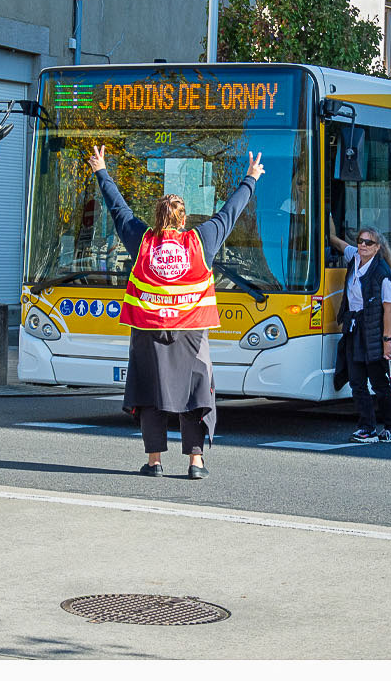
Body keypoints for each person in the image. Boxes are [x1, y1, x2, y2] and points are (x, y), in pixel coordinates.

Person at [88, 142, 262, 479]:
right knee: (194, 391)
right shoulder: (201, 240)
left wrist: (102, 171)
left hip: (148, 330)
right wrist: (250, 178)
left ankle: (154, 462)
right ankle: (195, 463)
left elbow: (118, 209)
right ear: (183, 220)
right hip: (191, 332)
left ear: (156, 218)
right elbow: (230, 213)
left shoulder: (141, 240)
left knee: (151, 392)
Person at [323, 225, 391, 444]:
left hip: (375, 332)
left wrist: (388, 341)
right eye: (360, 241)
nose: (362, 246)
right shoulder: (355, 258)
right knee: (356, 381)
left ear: (377, 247)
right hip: (354, 328)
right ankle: (367, 427)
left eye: (368, 242)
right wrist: (329, 224)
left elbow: (389, 309)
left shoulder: (383, 274)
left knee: (378, 382)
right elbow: (338, 243)